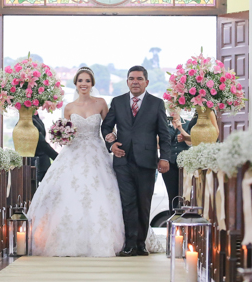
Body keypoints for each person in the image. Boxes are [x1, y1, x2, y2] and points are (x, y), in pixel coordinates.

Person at [26, 67, 124, 256]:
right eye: (80, 81)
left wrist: (112, 137)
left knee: (101, 193)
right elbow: (65, 130)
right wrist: (62, 135)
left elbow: (109, 126)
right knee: (66, 193)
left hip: (96, 152)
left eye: (87, 81)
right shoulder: (69, 107)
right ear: (76, 84)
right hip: (73, 152)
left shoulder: (101, 103)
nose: (84, 84)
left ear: (92, 83)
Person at [101, 65, 171, 256]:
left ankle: (141, 244)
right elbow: (106, 127)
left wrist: (164, 157)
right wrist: (112, 144)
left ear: (146, 82)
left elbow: (164, 135)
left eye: (139, 79)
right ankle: (129, 244)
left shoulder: (157, 104)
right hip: (123, 160)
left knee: (144, 202)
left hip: (147, 161)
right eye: (132, 78)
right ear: (127, 81)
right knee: (128, 202)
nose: (135, 82)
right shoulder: (117, 101)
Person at [162, 107, 191, 210]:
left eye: (175, 107)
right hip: (169, 163)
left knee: (185, 194)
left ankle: (185, 220)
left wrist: (180, 129)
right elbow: (157, 143)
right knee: (172, 195)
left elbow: (190, 142)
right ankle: (173, 221)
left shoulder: (187, 123)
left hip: (184, 164)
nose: (173, 110)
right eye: (170, 108)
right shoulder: (163, 123)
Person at [31, 111, 57, 185]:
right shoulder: (30, 120)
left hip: (43, 162)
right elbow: (41, 143)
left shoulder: (36, 117)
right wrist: (56, 157)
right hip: (36, 163)